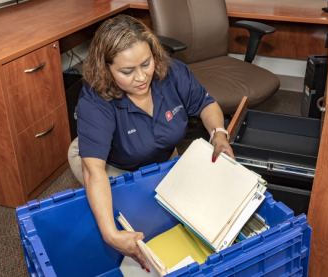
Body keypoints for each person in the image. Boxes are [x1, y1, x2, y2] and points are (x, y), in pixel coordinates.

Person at [67, 14, 235, 272]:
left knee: (179, 209)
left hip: (162, 153)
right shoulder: (95, 99)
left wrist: (219, 133)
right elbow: (94, 171)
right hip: (110, 164)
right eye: (127, 71)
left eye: (146, 63)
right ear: (106, 69)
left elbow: (205, 104)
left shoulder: (172, 71)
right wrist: (110, 234)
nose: (141, 77)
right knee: (131, 220)